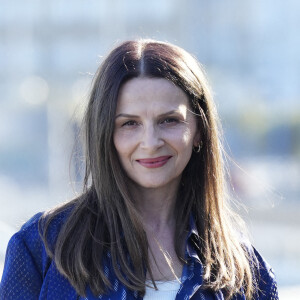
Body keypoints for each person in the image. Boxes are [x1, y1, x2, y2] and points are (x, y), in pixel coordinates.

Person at [0, 39, 278, 300]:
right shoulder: (41, 248)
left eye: (169, 121)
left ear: (199, 131)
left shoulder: (244, 270)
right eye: (129, 124)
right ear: (105, 133)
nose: (150, 142)